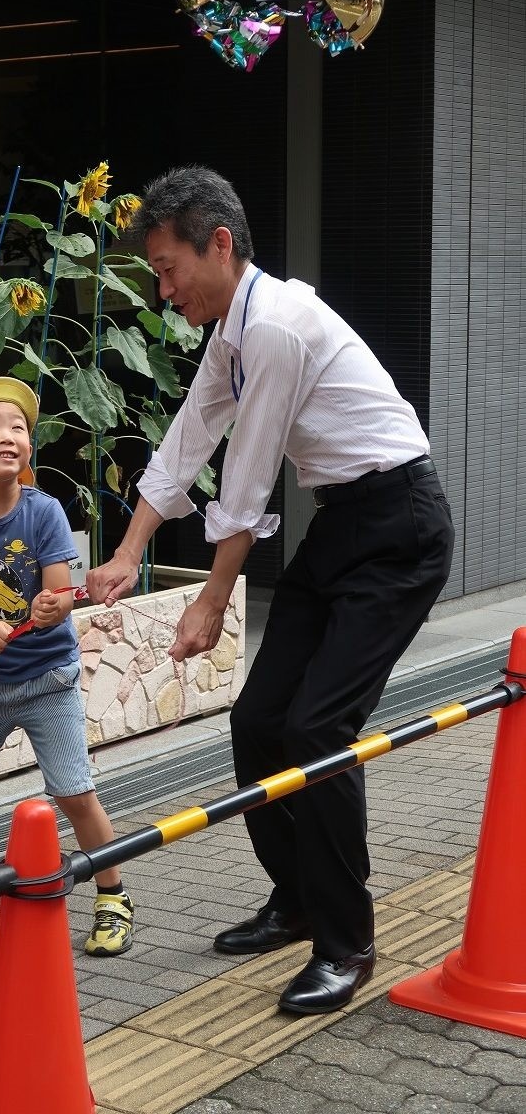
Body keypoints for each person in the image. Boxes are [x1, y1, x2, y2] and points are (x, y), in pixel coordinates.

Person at [86, 166, 454, 1013]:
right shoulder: (232, 332)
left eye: (169, 268)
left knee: (318, 727)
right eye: (154, 273)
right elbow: (187, 441)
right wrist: (125, 555)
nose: (163, 288)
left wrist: (213, 598)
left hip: (399, 526)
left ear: (221, 243)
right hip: (343, 523)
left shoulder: (279, 327)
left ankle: (346, 941)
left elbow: (245, 480)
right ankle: (294, 899)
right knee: (258, 722)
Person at [0, 377, 134, 956]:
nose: (7, 436)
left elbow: (61, 592)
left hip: (49, 679)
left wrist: (53, 606)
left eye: (18, 427)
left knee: (73, 793)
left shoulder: (43, 512)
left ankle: (114, 895)